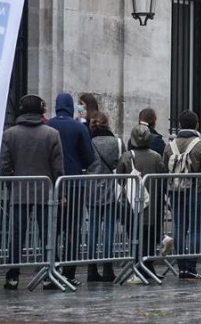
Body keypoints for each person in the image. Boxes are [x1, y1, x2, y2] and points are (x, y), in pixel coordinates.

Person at [0, 94, 64, 290]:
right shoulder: (52, 134)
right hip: (46, 191)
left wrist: (12, 185)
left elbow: (4, 166)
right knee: (47, 235)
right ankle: (48, 274)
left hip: (20, 191)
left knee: (17, 235)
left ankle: (12, 275)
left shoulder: (9, 134)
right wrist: (60, 193)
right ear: (41, 111)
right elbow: (58, 168)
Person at [47, 93, 96, 285]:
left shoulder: (48, 126)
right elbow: (89, 157)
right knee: (72, 230)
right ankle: (69, 272)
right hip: (75, 184)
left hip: (51, 185)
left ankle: (53, 266)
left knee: (52, 229)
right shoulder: (78, 127)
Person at [162, 110, 201, 279]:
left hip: (176, 192)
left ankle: (181, 267)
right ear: (196, 125)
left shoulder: (170, 145)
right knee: (196, 229)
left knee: (179, 228)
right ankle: (191, 267)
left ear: (179, 125)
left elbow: (165, 167)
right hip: (198, 192)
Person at [116, 123, 168, 282]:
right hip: (153, 205)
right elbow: (163, 177)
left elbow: (119, 178)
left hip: (132, 206)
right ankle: (147, 266)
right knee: (150, 238)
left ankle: (139, 268)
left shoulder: (126, 156)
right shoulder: (156, 156)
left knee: (135, 237)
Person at [85, 111, 124, 282]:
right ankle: (108, 267)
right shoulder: (117, 142)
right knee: (109, 228)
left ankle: (91, 268)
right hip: (111, 188)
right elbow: (124, 163)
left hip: (91, 188)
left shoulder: (88, 142)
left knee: (92, 228)